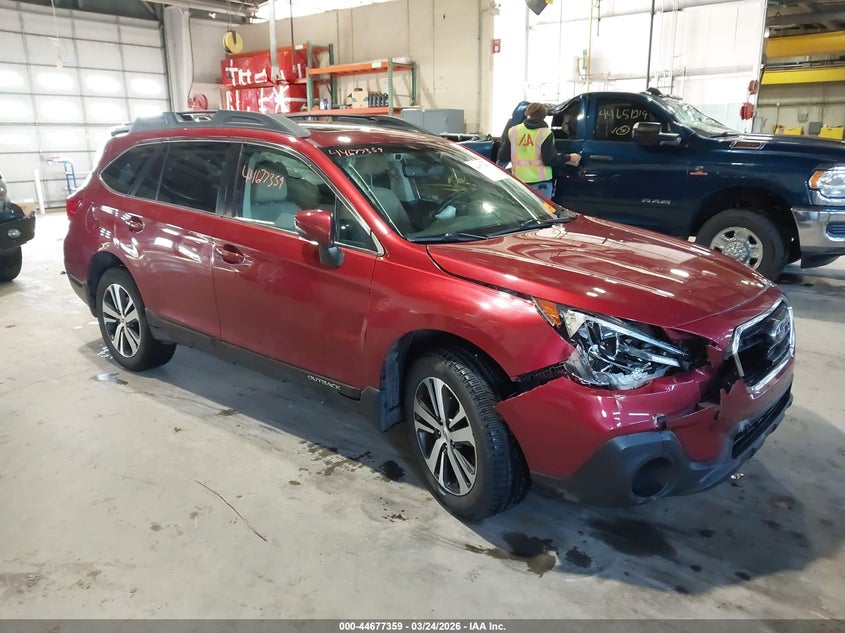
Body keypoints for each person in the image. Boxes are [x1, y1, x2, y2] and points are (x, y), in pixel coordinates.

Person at [497, 102, 581, 198]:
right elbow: (549, 159)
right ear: (544, 116)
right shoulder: (545, 133)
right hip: (541, 184)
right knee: (543, 208)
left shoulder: (513, 131)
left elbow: (503, 157)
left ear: (527, 113)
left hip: (519, 183)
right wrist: (569, 158)